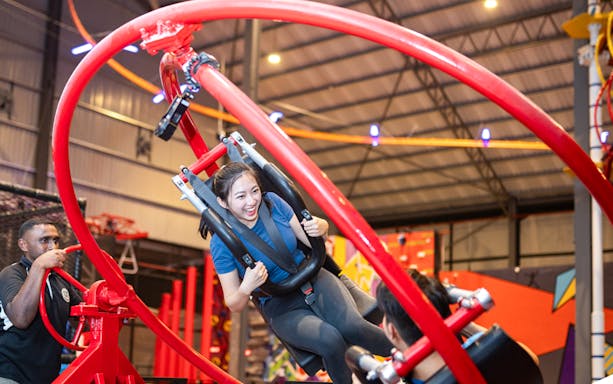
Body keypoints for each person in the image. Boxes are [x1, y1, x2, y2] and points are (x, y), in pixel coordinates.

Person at [203, 162, 393, 384]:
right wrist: (248, 285)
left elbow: (309, 240)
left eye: (254, 191)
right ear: (223, 202)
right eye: (241, 196)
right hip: (281, 306)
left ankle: (416, 356)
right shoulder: (222, 243)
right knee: (330, 340)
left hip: (313, 278)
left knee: (352, 327)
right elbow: (234, 303)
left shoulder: (274, 203)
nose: (251, 201)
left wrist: (321, 229)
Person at [375, 269, 540, 383]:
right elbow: (528, 360)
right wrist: (460, 322)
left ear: (392, 330)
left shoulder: (392, 377)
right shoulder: (482, 355)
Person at [0, 218, 82, 384]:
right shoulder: (12, 274)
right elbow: (21, 318)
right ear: (23, 245)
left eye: (56, 240)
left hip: (47, 377)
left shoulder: (60, 280)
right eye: (44, 240)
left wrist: (107, 303)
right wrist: (39, 266)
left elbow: (83, 321)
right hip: (11, 374)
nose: (53, 247)